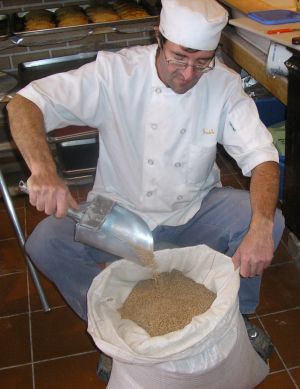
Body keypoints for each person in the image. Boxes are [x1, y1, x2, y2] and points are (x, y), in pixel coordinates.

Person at [7, 0, 284, 377]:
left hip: (193, 212)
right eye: (179, 57)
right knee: (45, 242)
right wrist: (44, 170)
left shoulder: (223, 84)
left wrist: (262, 227)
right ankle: (113, 334)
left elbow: (262, 157)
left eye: (202, 61)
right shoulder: (115, 74)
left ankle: (235, 316)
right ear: (159, 38)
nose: (188, 74)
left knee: (266, 220)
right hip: (117, 219)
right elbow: (26, 102)